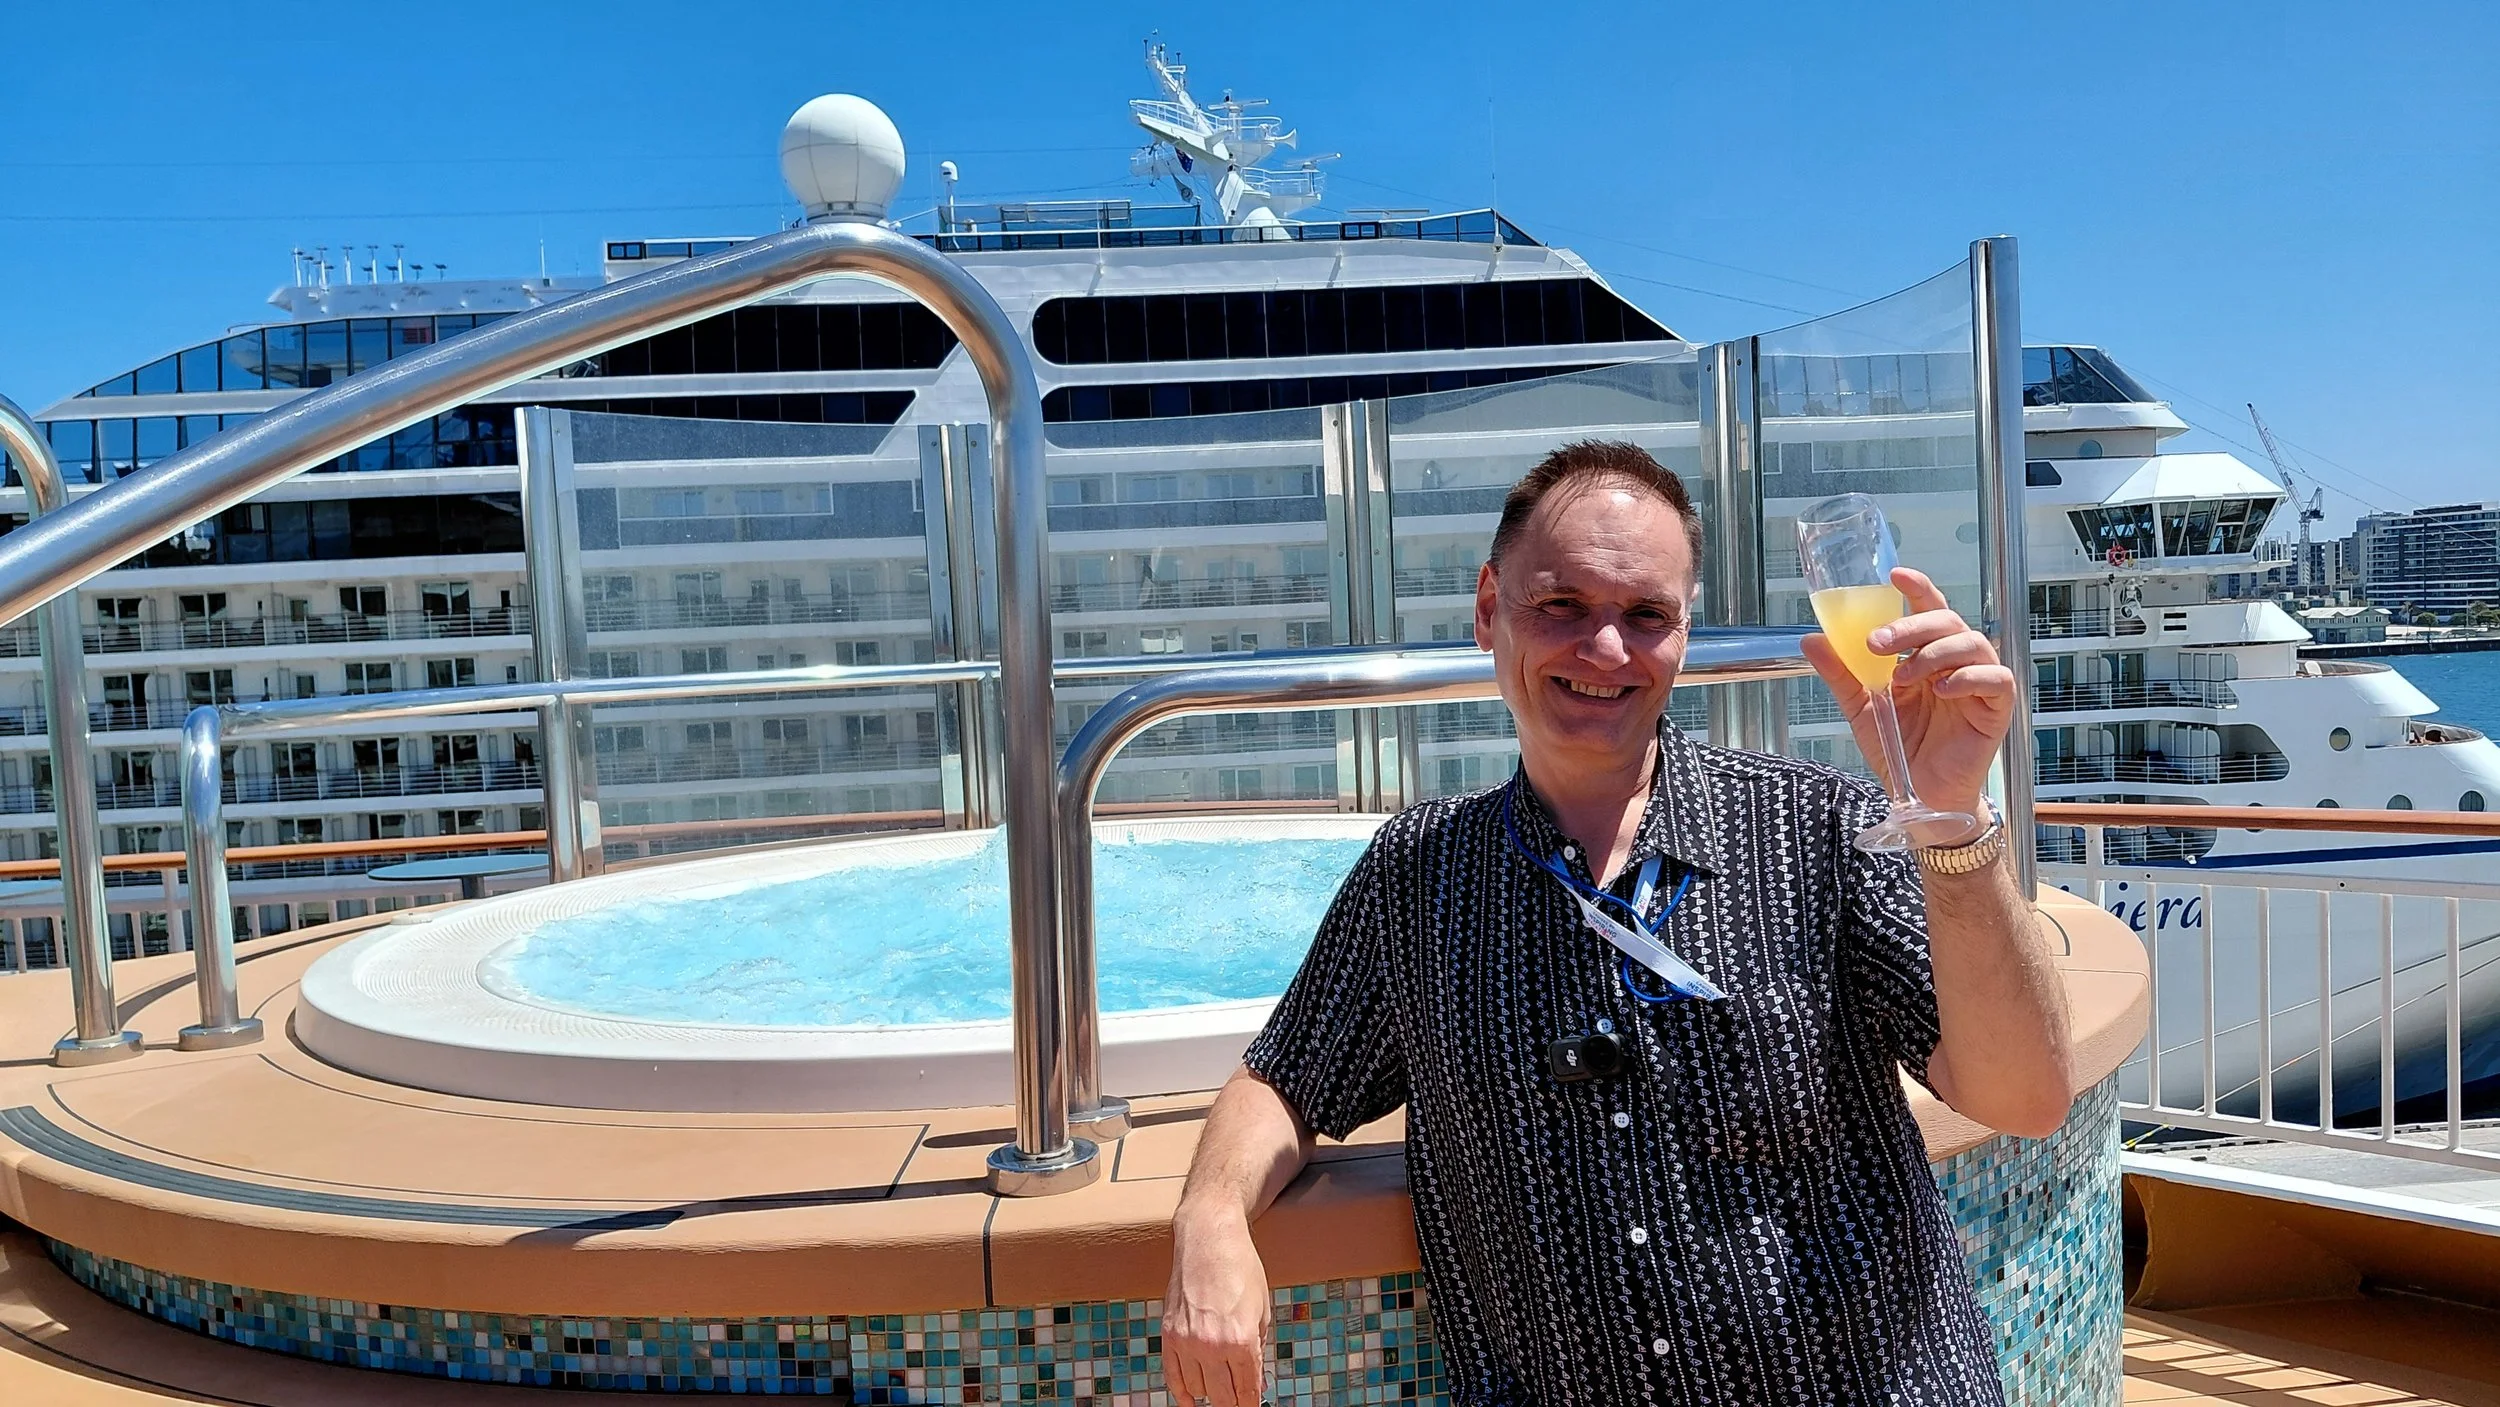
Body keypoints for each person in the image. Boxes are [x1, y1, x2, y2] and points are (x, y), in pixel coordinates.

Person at [1161, 440, 2073, 1406]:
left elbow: (2024, 1095)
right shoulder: (1419, 876)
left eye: (1646, 615)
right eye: (1562, 605)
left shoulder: (1820, 827)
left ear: (1682, 634)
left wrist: (1951, 823)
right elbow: (1285, 1079)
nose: (1605, 649)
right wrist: (1210, 1215)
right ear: (1487, 609)